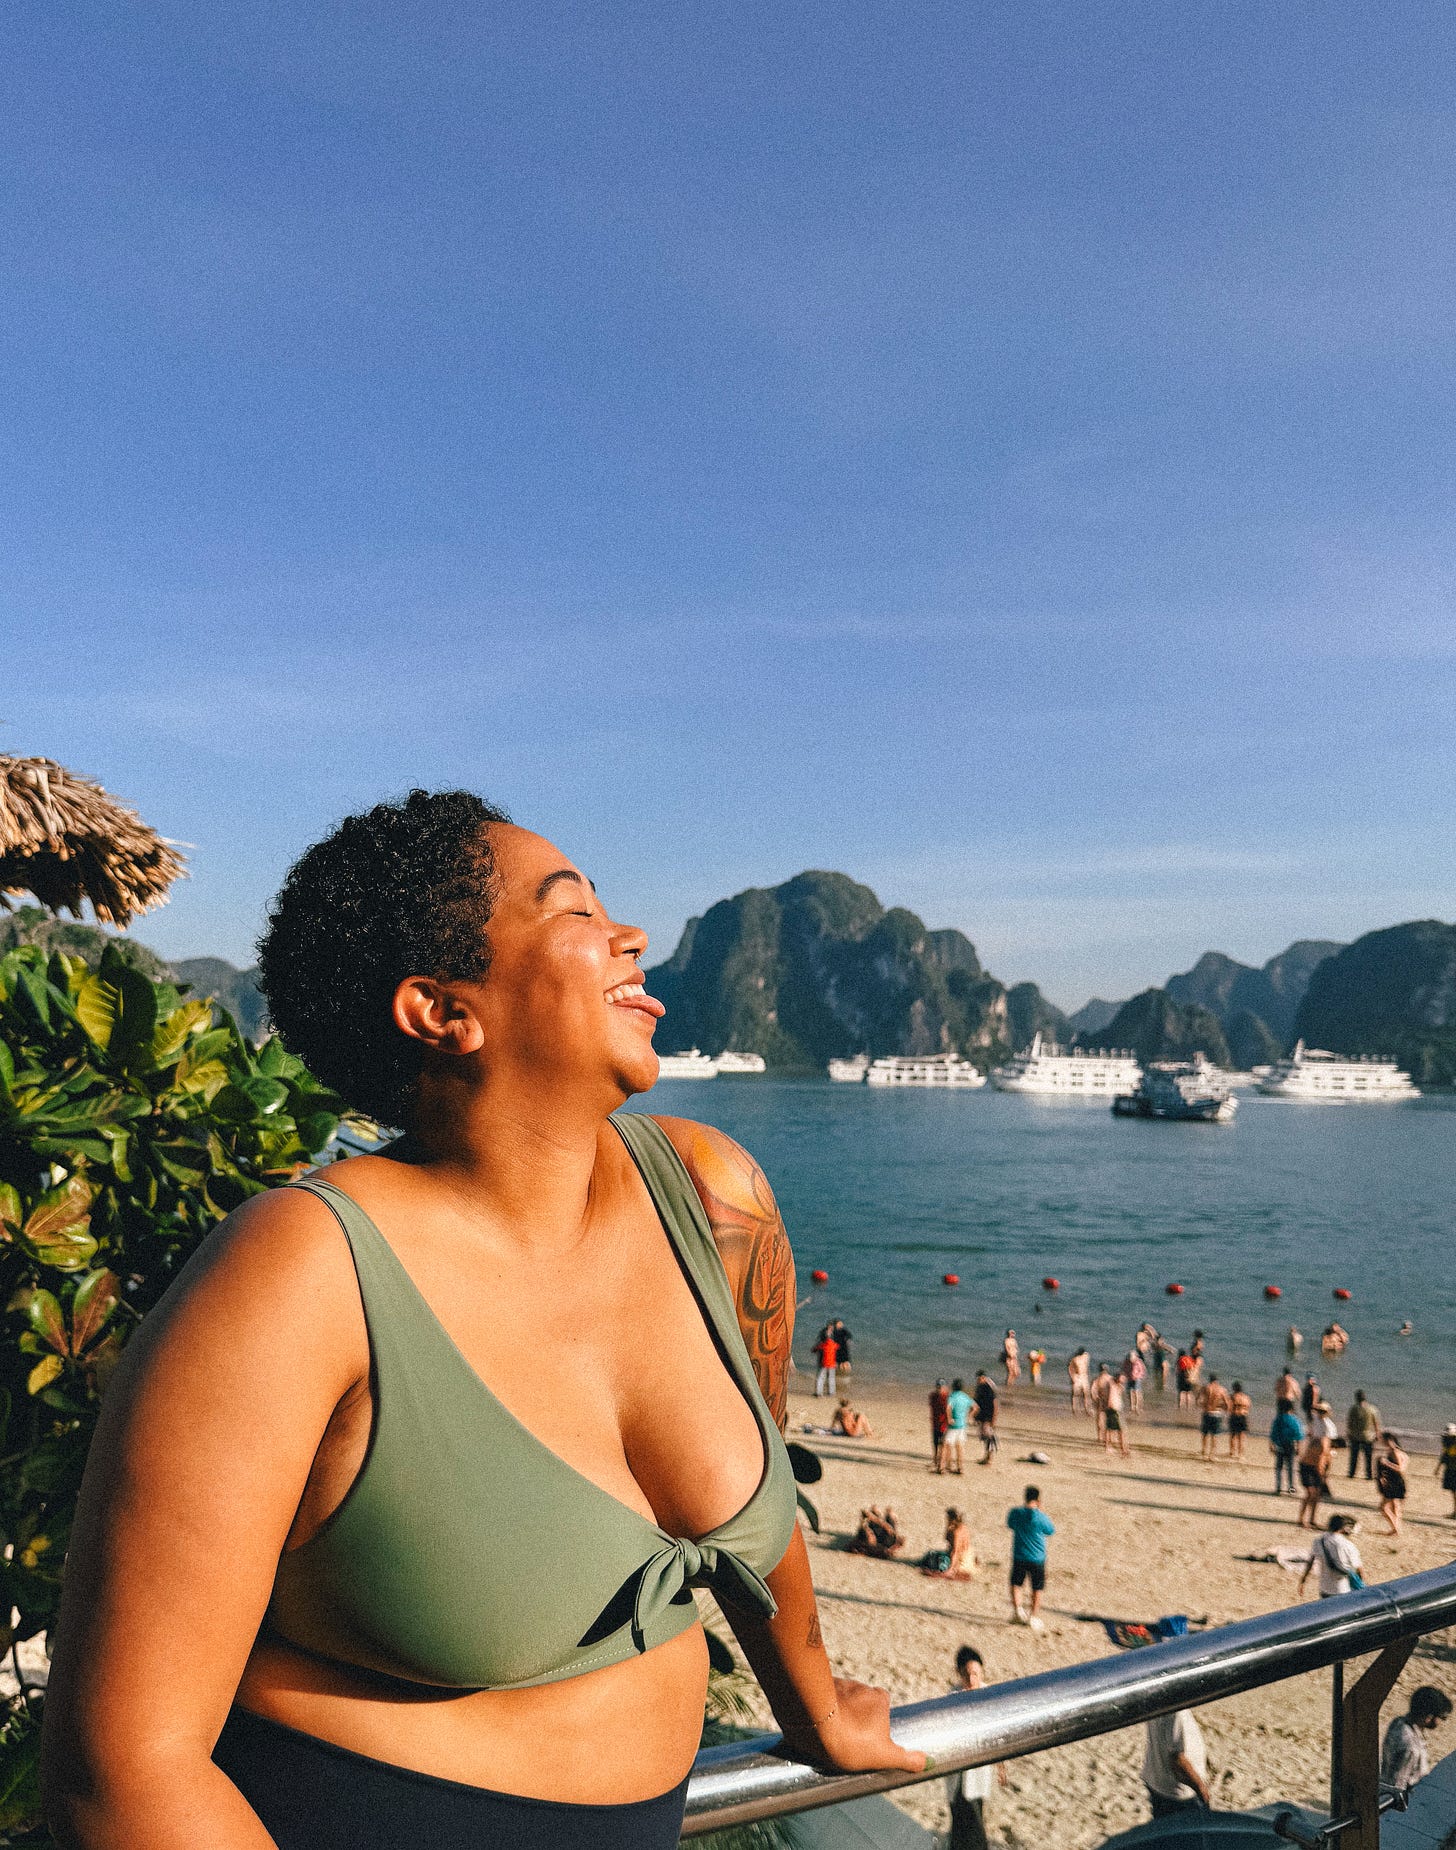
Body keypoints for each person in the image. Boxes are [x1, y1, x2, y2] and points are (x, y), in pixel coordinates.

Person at [40, 794, 920, 1849]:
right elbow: (121, 1766)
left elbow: (759, 1517)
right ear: (443, 1010)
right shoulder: (297, 1274)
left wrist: (812, 1702)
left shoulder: (712, 1193)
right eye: (573, 911)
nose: (628, 934)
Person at [943, 1647, 1006, 1850]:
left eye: (975, 1674)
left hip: (978, 1771)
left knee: (975, 1817)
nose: (972, 1679)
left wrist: (1001, 1766)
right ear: (959, 1674)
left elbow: (997, 1735)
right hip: (957, 1772)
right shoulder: (952, 1697)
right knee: (960, 1819)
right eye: (967, 1674)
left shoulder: (988, 1696)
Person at [1381, 1687, 1454, 1798]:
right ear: (1428, 1717)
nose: (1441, 1722)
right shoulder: (1410, 1746)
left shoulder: (1399, 1723)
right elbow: (1397, 1788)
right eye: (1441, 1717)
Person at [1142, 1709, 1212, 1817]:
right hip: (1177, 1793)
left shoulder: (1160, 1701)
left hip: (1157, 1781)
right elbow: (1178, 1761)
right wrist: (1201, 1788)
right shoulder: (1177, 1712)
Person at [1007, 1487, 1054, 1631]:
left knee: (1016, 1584)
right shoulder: (1041, 1517)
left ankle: (1018, 1611)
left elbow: (1010, 1524)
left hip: (1019, 1555)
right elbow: (1050, 1530)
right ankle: (1033, 1616)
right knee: (1037, 1588)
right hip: (1037, 1557)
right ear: (1038, 1500)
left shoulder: (1015, 1513)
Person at [1299, 1514, 1363, 1599]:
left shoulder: (1318, 1541)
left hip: (1325, 1588)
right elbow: (1359, 1570)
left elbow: (1311, 1562)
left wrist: (1303, 1580)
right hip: (1343, 1589)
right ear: (1344, 1528)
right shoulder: (1348, 1545)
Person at [1297, 1404, 1335, 1527]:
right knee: (1310, 1493)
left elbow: (1324, 1454)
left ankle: (1311, 1518)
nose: (1320, 1413)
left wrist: (1324, 1469)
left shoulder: (1328, 1428)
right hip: (1309, 1465)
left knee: (1316, 1494)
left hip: (1316, 1464)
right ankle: (1302, 1519)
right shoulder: (1316, 1424)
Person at [923, 1509, 978, 1582]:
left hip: (960, 1559)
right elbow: (946, 1538)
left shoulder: (956, 1532)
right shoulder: (963, 1527)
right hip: (967, 1555)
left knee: (933, 1557)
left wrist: (951, 1569)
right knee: (932, 1554)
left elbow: (955, 1551)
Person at [1269, 1398, 1304, 1497]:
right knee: (1290, 1467)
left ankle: (1278, 1487)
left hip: (1280, 1445)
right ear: (1292, 1408)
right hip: (1291, 1445)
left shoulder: (1278, 1419)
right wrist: (1299, 1447)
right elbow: (1298, 1434)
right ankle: (1291, 1487)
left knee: (1279, 1467)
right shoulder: (1295, 1420)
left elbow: (1273, 1433)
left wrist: (1271, 1444)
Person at [1375, 1434, 1408, 1536]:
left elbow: (1401, 1469)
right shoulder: (1400, 1452)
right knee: (1395, 1507)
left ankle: (1396, 1528)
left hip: (1394, 1482)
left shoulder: (1395, 1452)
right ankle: (1396, 1529)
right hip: (1398, 1482)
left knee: (1384, 1507)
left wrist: (1386, 1463)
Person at [1346, 1391, 1381, 1480]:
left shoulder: (1354, 1409)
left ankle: (1351, 1473)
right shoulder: (1372, 1409)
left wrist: (1349, 1433)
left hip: (1356, 1435)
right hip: (1368, 1436)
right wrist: (1377, 1434)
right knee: (1368, 1457)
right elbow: (1376, 1423)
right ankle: (1369, 1475)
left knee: (1354, 1456)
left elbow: (1350, 1422)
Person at [1197, 1376, 1231, 1462]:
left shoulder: (1205, 1387)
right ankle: (1212, 1454)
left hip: (1206, 1412)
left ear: (1210, 1380)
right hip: (1217, 1413)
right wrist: (1226, 1411)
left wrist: (1201, 1405)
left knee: (1205, 1433)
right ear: (1216, 1381)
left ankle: (1204, 1452)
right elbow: (1227, 1402)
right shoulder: (1222, 1389)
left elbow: (1198, 1399)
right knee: (1214, 1435)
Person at [943, 1377, 972, 1474]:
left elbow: (948, 1408)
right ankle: (960, 1467)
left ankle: (948, 1465)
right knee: (960, 1447)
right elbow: (975, 1407)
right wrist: (969, 1417)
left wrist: (949, 1419)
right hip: (962, 1425)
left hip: (954, 1425)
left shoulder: (952, 1397)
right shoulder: (965, 1396)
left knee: (947, 1445)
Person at [1102, 1368, 1131, 1458]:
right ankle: (1124, 1450)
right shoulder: (1112, 1385)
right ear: (1118, 1377)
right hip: (1115, 1409)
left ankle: (1108, 1447)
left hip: (1113, 1409)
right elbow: (1111, 1396)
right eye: (1122, 1379)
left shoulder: (1116, 1385)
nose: (1124, 1381)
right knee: (1121, 1430)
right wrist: (1110, 1406)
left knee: (1110, 1429)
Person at [973, 1371, 998, 1463]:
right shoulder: (980, 1387)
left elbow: (995, 1404)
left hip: (988, 1416)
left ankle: (989, 1458)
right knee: (984, 1436)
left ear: (984, 1377)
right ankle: (986, 1456)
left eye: (980, 1378)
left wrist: (993, 1419)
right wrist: (975, 1416)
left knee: (988, 1436)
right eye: (978, 1379)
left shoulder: (988, 1388)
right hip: (982, 1415)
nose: (978, 1380)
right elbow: (976, 1402)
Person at [929, 1379, 951, 1474]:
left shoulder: (933, 1396)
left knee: (937, 1443)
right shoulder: (945, 1397)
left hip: (937, 1423)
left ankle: (937, 1461)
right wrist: (950, 1419)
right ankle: (941, 1464)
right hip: (942, 1424)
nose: (940, 1388)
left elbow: (932, 1407)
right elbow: (947, 1409)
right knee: (942, 1444)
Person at [813, 1325, 840, 1398]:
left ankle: (819, 1393)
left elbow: (814, 1349)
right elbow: (838, 1347)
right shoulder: (834, 1345)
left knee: (821, 1378)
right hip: (832, 1364)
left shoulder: (823, 1345)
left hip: (824, 1363)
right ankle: (832, 1392)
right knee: (831, 1378)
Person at [1436, 1422, 1456, 1518]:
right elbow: (1443, 1457)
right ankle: (1455, 1512)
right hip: (1450, 1470)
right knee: (1453, 1492)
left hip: (1453, 1471)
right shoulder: (1447, 1444)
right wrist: (1438, 1468)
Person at [1228, 1382, 1251, 1461]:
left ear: (1234, 1388)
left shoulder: (1233, 1396)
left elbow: (1229, 1407)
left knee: (1233, 1436)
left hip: (1235, 1416)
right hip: (1243, 1416)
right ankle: (1241, 1454)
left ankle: (1232, 1452)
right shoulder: (1246, 1397)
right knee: (1242, 1437)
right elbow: (1248, 1407)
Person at [1068, 1348, 1092, 1414]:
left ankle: (1088, 1409)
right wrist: (1073, 1377)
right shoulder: (1076, 1359)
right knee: (1076, 1394)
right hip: (1078, 1377)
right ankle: (1075, 1409)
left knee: (1087, 1394)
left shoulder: (1085, 1356)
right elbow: (1070, 1367)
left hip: (1084, 1376)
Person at [831, 1319, 855, 1384]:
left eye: (841, 1323)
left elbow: (849, 1336)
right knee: (839, 1363)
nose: (841, 1324)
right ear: (836, 1324)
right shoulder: (834, 1331)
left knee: (846, 1361)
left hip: (844, 1348)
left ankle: (848, 1376)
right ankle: (840, 1376)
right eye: (839, 1323)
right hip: (837, 1348)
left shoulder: (844, 1330)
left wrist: (848, 1341)